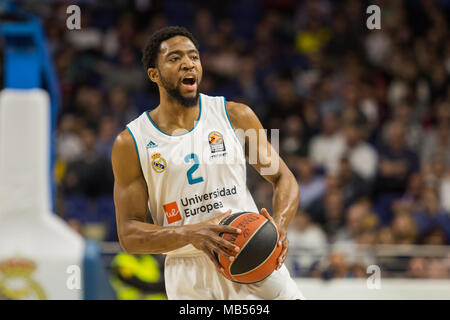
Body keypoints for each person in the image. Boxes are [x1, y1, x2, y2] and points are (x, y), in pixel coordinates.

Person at [111, 26, 304, 300]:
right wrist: (191, 233)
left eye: (193, 57)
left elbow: (284, 178)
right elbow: (129, 234)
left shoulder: (235, 116)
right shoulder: (131, 142)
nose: (188, 63)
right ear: (154, 74)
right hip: (189, 276)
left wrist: (279, 226)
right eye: (175, 58)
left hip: (253, 254)